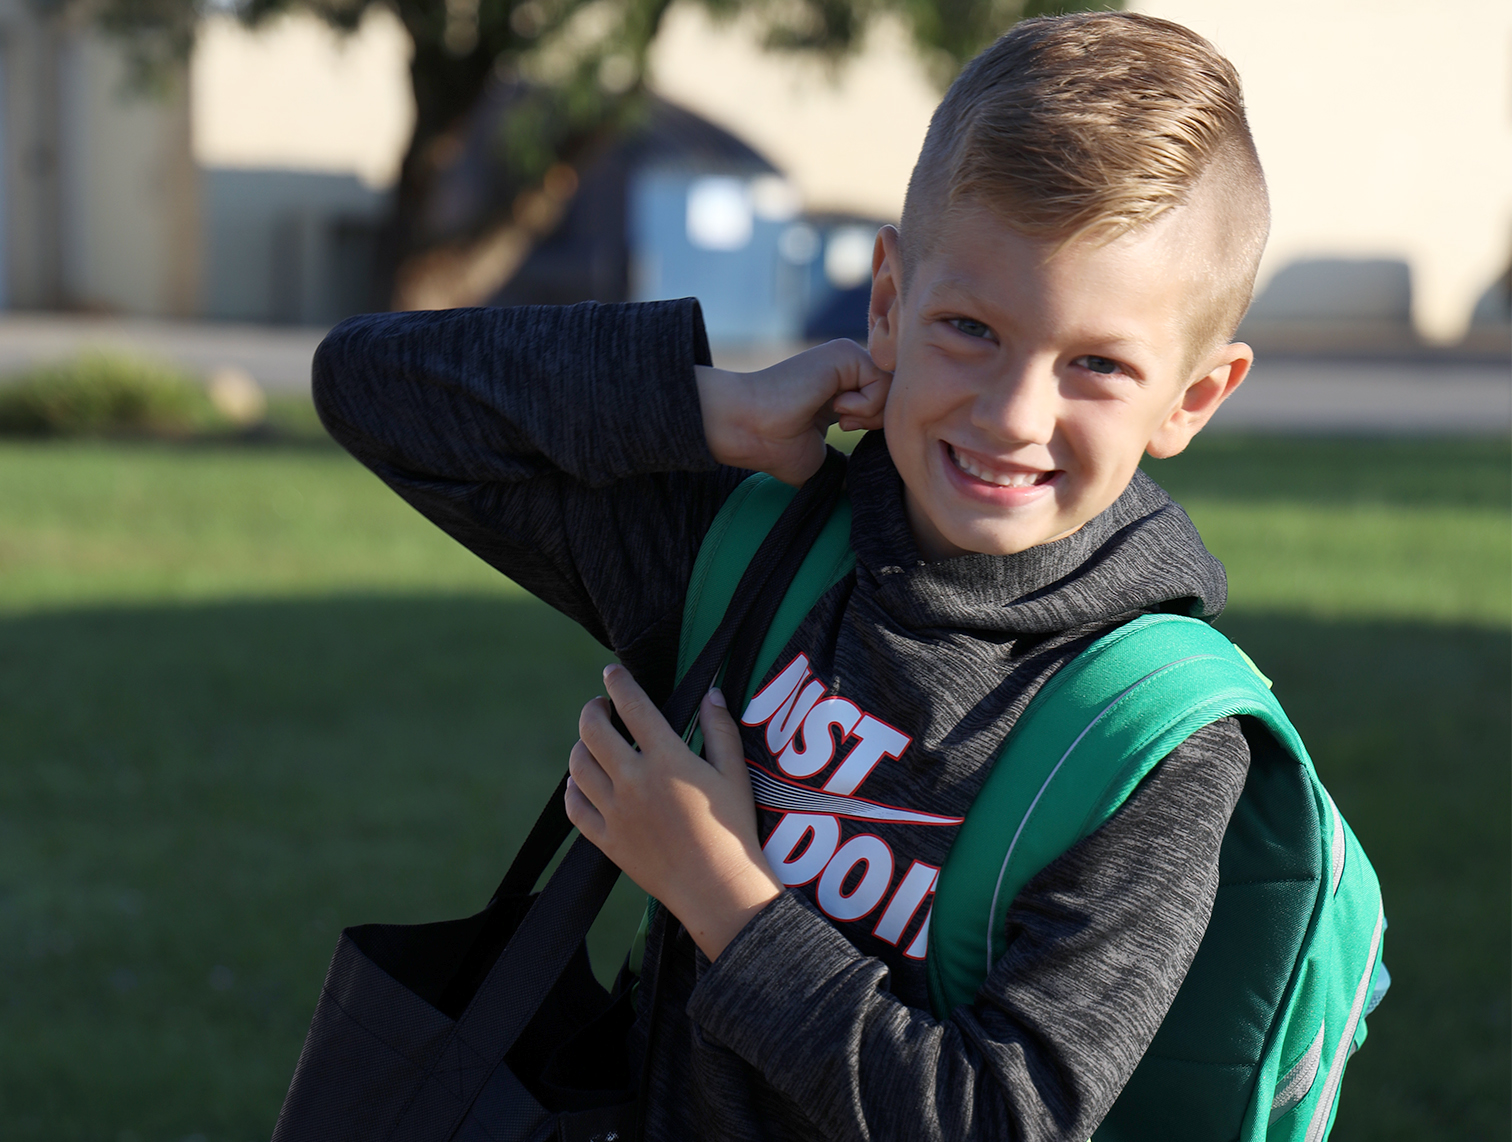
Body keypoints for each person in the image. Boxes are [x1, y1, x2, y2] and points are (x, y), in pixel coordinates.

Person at [311, 11, 1272, 1139]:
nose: (1014, 413)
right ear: (886, 303)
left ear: (1193, 397)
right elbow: (376, 389)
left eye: (1097, 363)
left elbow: (997, 1118)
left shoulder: (1150, 739)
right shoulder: (756, 547)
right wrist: (714, 405)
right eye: (968, 327)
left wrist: (721, 893)